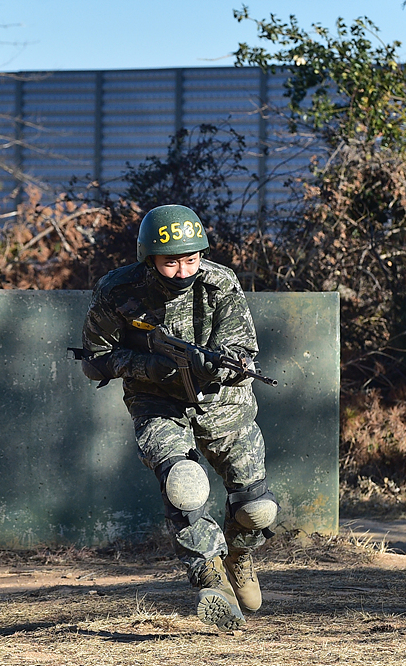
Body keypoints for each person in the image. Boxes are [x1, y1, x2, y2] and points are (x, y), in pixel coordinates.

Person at [78, 204, 278, 631]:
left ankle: (238, 557)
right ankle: (211, 579)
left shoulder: (219, 283)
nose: (183, 270)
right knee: (185, 486)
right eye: (171, 261)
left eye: (192, 258)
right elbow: (95, 360)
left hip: (224, 403)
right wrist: (143, 366)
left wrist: (219, 366)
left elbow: (242, 350)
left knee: (257, 509)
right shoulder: (118, 289)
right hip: (157, 404)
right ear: (148, 258)